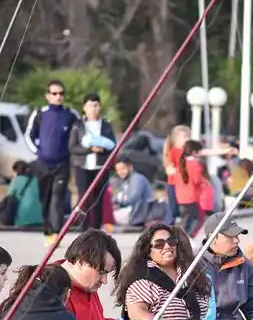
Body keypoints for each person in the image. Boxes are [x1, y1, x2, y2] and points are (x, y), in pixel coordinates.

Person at [115, 225, 226, 320]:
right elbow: (138, 315)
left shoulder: (191, 274)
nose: (167, 246)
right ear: (148, 250)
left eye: (171, 241)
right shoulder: (143, 281)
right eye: (159, 244)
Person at [23, 80, 81, 244]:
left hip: (62, 164)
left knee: (57, 197)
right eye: (54, 93)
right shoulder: (39, 114)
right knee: (45, 198)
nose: (58, 97)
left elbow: (80, 133)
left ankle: (55, 233)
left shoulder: (71, 115)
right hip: (43, 164)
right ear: (47, 96)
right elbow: (29, 136)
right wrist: (37, 151)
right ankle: (47, 231)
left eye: (61, 93)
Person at [202, 212, 253, 320]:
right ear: (213, 238)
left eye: (237, 235)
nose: (237, 240)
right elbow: (192, 316)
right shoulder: (192, 265)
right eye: (230, 236)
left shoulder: (245, 264)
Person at [69, 92, 117, 231]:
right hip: (82, 167)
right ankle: (84, 230)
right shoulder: (78, 125)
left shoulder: (106, 125)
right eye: (90, 105)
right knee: (84, 199)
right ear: (84, 107)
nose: (93, 108)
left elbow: (113, 145)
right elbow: (72, 147)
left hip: (101, 167)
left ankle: (96, 231)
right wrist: (90, 150)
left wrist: (103, 149)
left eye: (96, 105)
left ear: (100, 107)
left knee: (98, 201)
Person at [0, 160, 43, 228]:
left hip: (23, 220)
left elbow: (9, 197)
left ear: (16, 171)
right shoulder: (37, 180)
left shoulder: (16, 181)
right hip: (40, 219)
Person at [175, 140, 208, 237]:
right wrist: (204, 181)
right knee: (197, 218)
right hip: (191, 196)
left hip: (181, 196)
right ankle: (188, 237)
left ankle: (182, 237)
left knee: (185, 219)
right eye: (199, 151)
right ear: (194, 152)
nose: (201, 154)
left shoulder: (181, 163)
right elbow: (197, 180)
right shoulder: (195, 164)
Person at [111, 156, 155, 227]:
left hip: (138, 215)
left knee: (107, 215)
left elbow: (133, 198)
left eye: (123, 168)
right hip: (133, 213)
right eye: (118, 170)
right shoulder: (126, 181)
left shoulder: (137, 178)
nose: (120, 172)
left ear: (130, 167)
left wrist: (120, 204)